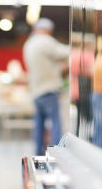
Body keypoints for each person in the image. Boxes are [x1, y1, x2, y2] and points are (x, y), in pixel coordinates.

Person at [23, 18, 70, 157]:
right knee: (55, 123)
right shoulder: (45, 41)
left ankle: (38, 153)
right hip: (48, 89)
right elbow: (64, 52)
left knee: (39, 125)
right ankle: (55, 154)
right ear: (47, 30)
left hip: (36, 91)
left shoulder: (29, 44)